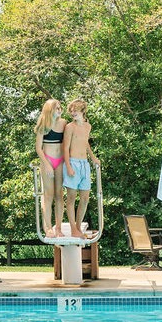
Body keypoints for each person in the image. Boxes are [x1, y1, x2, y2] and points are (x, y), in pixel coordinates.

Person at [62, 98, 100, 239]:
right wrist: (68, 166)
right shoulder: (69, 127)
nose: (72, 113)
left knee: (85, 198)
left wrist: (93, 158)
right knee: (71, 198)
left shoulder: (87, 126)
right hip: (72, 162)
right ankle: (73, 229)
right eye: (71, 110)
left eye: (75, 110)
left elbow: (85, 143)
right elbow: (65, 148)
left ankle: (78, 227)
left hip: (85, 164)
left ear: (82, 110)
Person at [34, 99, 67, 238]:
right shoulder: (43, 124)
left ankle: (58, 227)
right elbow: (38, 148)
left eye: (60, 107)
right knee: (48, 195)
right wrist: (46, 164)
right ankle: (48, 228)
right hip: (48, 161)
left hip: (60, 162)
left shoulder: (64, 123)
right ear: (49, 110)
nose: (59, 110)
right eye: (56, 108)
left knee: (59, 195)